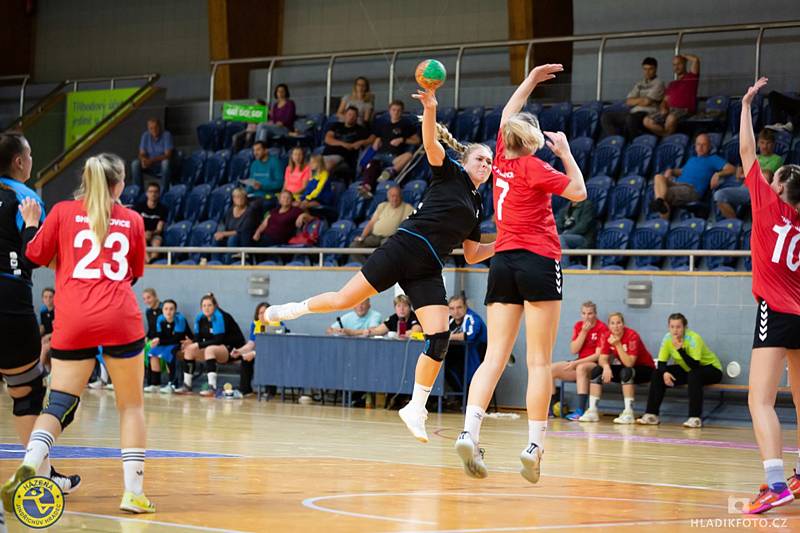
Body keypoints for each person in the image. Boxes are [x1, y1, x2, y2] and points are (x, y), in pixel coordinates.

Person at [266, 82, 495, 443]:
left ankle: (415, 408)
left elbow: (471, 254)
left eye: (490, 162)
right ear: (465, 160)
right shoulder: (449, 172)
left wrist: (503, 243)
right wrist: (431, 108)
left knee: (439, 337)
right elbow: (431, 141)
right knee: (343, 300)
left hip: (428, 268)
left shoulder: (479, 206)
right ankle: (293, 310)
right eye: (480, 158)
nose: (486, 164)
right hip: (404, 247)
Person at [453, 63, 586, 483]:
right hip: (539, 260)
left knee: (494, 356)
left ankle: (469, 432)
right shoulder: (534, 167)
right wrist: (564, 152)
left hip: (504, 263)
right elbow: (580, 192)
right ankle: (533, 446)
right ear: (532, 141)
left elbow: (509, 111)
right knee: (539, 361)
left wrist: (528, 80)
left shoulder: (501, 162)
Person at [1, 152, 154, 513]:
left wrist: (30, 224)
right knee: (131, 405)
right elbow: (133, 273)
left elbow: (34, 254)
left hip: (73, 317)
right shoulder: (132, 219)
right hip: (120, 315)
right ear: (119, 184)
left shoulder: (63, 212)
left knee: (58, 402)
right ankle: (133, 493)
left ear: (85, 181)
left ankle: (30, 464)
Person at [732, 78, 800, 514]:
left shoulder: (766, 204)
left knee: (760, 400)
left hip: (774, 311)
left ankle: (776, 482)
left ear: (777, 188)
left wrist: (745, 106)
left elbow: (746, 152)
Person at [0, 132, 81, 502]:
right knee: (27, 390)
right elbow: (38, 255)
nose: (31, 160)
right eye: (30, 154)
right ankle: (42, 477)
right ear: (19, 162)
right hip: (10, 300)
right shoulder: (26, 199)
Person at [636, 313, 722, 428]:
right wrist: (665, 373)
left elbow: (694, 365)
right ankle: (652, 415)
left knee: (694, 374)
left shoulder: (694, 338)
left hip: (711, 369)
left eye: (678, 327)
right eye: (672, 327)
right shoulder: (667, 339)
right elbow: (661, 363)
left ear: (685, 327)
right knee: (657, 374)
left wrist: (680, 350)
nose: (675, 330)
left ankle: (695, 418)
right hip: (689, 370)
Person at [579, 312, 654, 424]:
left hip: (645, 369)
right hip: (626, 368)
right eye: (612, 323)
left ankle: (628, 413)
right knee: (597, 371)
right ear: (609, 325)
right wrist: (606, 367)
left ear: (623, 324)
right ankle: (592, 411)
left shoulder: (632, 336)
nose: (616, 326)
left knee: (626, 372)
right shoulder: (606, 335)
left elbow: (629, 363)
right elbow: (602, 359)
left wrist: (618, 344)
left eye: (618, 323)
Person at [649, 133, 735, 219]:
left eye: (704, 145)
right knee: (658, 177)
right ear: (695, 146)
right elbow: (683, 171)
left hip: (692, 189)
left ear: (709, 146)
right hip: (678, 185)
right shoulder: (692, 159)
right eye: (698, 144)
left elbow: (731, 168)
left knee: (663, 194)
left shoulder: (713, 159)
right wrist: (671, 171)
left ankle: (662, 214)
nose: (700, 147)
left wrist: (718, 174)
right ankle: (659, 201)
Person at [178, 294, 245, 397]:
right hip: (215, 350)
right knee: (189, 350)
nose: (206, 308)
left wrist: (197, 344)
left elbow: (218, 340)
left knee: (209, 349)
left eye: (209, 305)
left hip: (233, 350)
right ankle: (187, 385)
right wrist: (191, 343)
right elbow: (197, 339)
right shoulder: (200, 318)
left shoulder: (220, 317)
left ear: (215, 306)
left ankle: (212, 387)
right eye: (204, 305)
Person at [550, 301, 609, 420]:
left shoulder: (602, 328)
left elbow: (598, 355)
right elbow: (573, 350)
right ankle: (552, 407)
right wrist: (583, 332)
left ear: (595, 314)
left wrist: (576, 363)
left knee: (581, 368)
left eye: (590, 313)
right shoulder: (579, 326)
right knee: (550, 369)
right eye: (584, 313)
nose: (587, 317)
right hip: (579, 361)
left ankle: (580, 410)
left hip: (594, 365)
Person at [714, 129, 785, 220]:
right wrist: (745, 171)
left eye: (768, 143)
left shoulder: (777, 159)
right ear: (758, 144)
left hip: (762, 191)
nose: (765, 146)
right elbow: (738, 176)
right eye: (762, 143)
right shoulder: (754, 157)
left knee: (765, 175)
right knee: (718, 195)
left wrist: (748, 174)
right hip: (745, 189)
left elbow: (766, 176)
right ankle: (735, 223)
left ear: (773, 144)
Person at [360, 100, 421, 192]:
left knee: (409, 155)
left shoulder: (406, 125)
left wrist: (402, 140)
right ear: (389, 111)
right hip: (380, 156)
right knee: (372, 164)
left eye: (398, 110)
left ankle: (390, 172)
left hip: (395, 157)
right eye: (394, 110)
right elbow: (375, 142)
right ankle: (367, 187)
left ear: (402, 112)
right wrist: (375, 144)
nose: (396, 112)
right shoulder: (383, 126)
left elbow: (417, 141)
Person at [600, 57, 665, 139]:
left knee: (630, 118)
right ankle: (616, 141)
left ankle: (633, 143)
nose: (647, 72)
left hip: (648, 113)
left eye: (650, 69)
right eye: (645, 69)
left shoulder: (659, 83)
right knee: (606, 116)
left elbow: (646, 102)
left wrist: (639, 100)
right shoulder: (640, 83)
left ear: (655, 69)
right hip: (634, 111)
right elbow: (628, 101)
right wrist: (643, 100)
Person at [349, 185, 414, 262]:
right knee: (354, 245)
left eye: (397, 196)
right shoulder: (382, 206)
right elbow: (371, 223)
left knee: (386, 245)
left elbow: (411, 226)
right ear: (388, 197)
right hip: (375, 236)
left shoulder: (408, 208)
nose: (395, 198)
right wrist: (362, 237)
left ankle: (380, 269)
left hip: (392, 238)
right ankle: (367, 267)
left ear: (401, 196)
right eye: (392, 196)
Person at [643, 54, 701, 136]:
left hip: (685, 110)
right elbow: (665, 100)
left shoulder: (691, 77)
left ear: (685, 64)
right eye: (674, 65)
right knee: (647, 120)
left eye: (679, 64)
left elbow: (695, 59)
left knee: (671, 118)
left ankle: (666, 139)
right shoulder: (672, 84)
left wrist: (683, 56)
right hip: (670, 110)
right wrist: (663, 108)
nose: (676, 67)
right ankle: (666, 135)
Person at [231, 302, 280, 397]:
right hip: (260, 353)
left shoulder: (277, 324)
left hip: (275, 354)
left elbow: (272, 348)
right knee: (245, 358)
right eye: (260, 313)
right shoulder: (255, 325)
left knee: (267, 360)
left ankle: (270, 391)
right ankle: (245, 390)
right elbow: (251, 343)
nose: (262, 315)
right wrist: (239, 351)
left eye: (265, 312)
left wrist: (254, 353)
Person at [145, 299, 192, 393]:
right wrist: (156, 340)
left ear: (175, 310)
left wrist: (160, 340)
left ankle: (172, 384)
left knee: (170, 353)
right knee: (152, 352)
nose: (168, 311)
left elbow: (177, 338)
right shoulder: (160, 319)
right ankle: (155, 384)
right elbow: (159, 334)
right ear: (162, 310)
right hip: (166, 342)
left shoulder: (180, 319)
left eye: (171, 309)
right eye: (166, 309)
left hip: (181, 343)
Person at [446, 295, 488, 392]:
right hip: (462, 354)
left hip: (478, 355)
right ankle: (456, 398)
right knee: (441, 364)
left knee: (451, 363)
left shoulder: (472, 317)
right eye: (452, 308)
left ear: (465, 307)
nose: (456, 311)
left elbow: (469, 335)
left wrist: (448, 336)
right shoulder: (450, 320)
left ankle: (466, 398)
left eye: (459, 307)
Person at [322, 106, 375, 173]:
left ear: (356, 118)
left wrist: (361, 142)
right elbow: (327, 139)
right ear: (345, 115)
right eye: (349, 114)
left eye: (354, 115)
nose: (351, 117)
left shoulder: (360, 130)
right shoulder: (336, 125)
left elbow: (373, 137)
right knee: (311, 165)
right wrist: (344, 144)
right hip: (326, 154)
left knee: (326, 165)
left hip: (342, 157)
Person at [131, 118, 174, 191]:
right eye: (151, 128)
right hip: (150, 165)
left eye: (156, 127)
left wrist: (151, 160)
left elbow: (168, 155)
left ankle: (164, 191)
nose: (154, 130)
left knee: (165, 163)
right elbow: (142, 153)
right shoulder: (145, 136)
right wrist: (143, 160)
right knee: (135, 163)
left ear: (160, 127)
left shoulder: (167, 135)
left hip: (162, 165)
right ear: (148, 129)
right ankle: (138, 191)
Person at [133, 182, 168, 263]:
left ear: (159, 194)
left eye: (155, 192)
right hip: (141, 233)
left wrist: (151, 233)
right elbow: (135, 225)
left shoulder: (163, 209)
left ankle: (151, 262)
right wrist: (143, 233)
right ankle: (148, 262)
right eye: (151, 191)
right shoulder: (139, 207)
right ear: (147, 193)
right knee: (141, 240)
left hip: (154, 234)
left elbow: (159, 228)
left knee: (157, 241)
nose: (153, 194)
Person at [214, 188, 257, 255]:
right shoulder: (230, 210)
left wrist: (224, 234)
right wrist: (220, 232)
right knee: (216, 238)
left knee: (232, 239)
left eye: (241, 197)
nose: (239, 199)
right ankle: (215, 262)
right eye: (236, 197)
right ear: (233, 199)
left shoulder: (250, 212)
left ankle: (230, 263)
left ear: (245, 198)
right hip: (228, 236)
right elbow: (222, 222)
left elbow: (243, 230)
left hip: (244, 239)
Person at [555, 198, 596, 266]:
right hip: (565, 236)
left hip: (583, 238)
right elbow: (558, 224)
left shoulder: (587, 205)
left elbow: (583, 227)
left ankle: (564, 267)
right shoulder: (567, 207)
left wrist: (566, 233)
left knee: (560, 238)